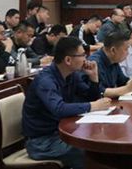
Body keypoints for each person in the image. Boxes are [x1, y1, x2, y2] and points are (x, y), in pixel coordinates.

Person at [22, 36, 111, 169]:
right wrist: (92, 106)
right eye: (82, 55)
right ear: (68, 60)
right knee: (88, 151)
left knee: (99, 141)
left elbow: (89, 98)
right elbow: (59, 108)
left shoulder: (71, 75)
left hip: (63, 133)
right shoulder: (45, 80)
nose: (86, 59)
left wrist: (94, 78)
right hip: (41, 142)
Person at [87, 32, 132, 97]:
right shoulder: (94, 63)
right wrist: (127, 89)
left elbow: (123, 81)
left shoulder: (114, 60)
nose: (128, 53)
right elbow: (100, 91)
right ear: (113, 50)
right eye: (126, 49)